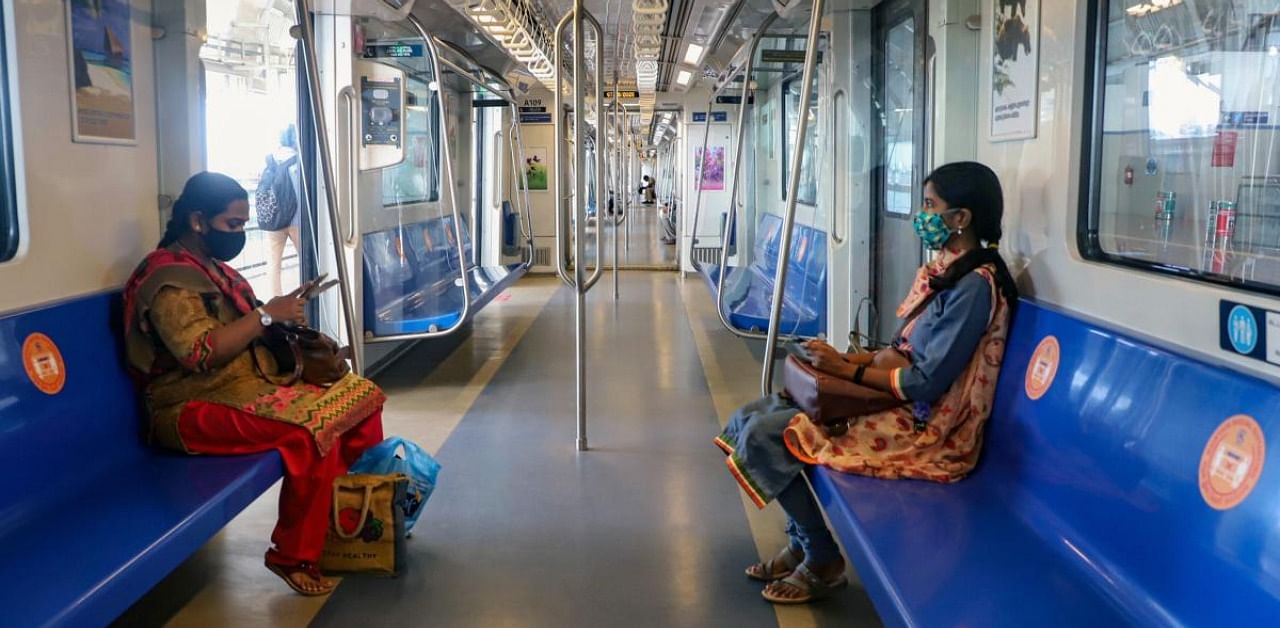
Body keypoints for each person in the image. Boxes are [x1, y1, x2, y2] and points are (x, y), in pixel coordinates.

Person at [715, 162, 1019, 604]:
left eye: (930, 205)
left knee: (767, 434)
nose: (923, 214)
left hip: (924, 424)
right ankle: (802, 540)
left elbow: (926, 382)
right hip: (892, 397)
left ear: (961, 218)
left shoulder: (973, 288)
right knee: (750, 415)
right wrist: (841, 359)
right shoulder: (947, 271)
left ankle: (821, 557)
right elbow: (902, 350)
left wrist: (845, 372)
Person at [123, 172, 386, 596]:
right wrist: (265, 316)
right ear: (197, 221)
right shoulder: (168, 280)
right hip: (187, 407)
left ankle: (339, 520)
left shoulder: (216, 271)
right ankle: (292, 555)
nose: (239, 233)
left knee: (360, 399)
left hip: (250, 386)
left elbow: (250, 327)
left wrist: (282, 315)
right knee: (310, 432)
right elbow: (200, 353)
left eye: (244, 225)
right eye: (232, 225)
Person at [258, 125, 303, 298]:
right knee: (307, 261)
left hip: (274, 222)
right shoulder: (297, 161)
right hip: (296, 222)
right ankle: (308, 297)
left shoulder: (271, 160)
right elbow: (300, 195)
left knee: (273, 264)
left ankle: (275, 298)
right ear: (294, 139)